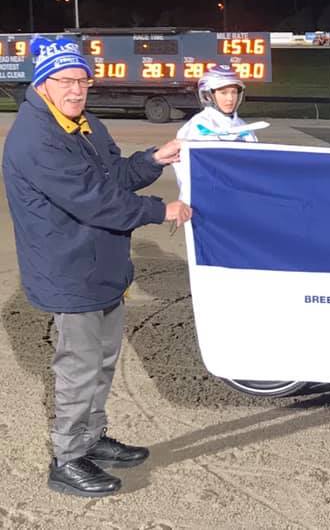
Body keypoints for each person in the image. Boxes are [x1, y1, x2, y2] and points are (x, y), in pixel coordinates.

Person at [2, 37, 193, 497]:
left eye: (83, 81)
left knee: (102, 361)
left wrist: (152, 160)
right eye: (65, 81)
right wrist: (159, 210)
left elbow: (112, 178)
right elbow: (94, 200)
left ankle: (91, 438)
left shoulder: (83, 123)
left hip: (99, 264)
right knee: (79, 368)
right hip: (68, 270)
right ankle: (68, 459)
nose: (76, 90)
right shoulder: (37, 138)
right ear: (43, 84)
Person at [177, 65, 264, 142]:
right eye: (223, 93)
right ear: (207, 96)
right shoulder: (196, 126)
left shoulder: (245, 128)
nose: (230, 98)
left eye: (234, 92)